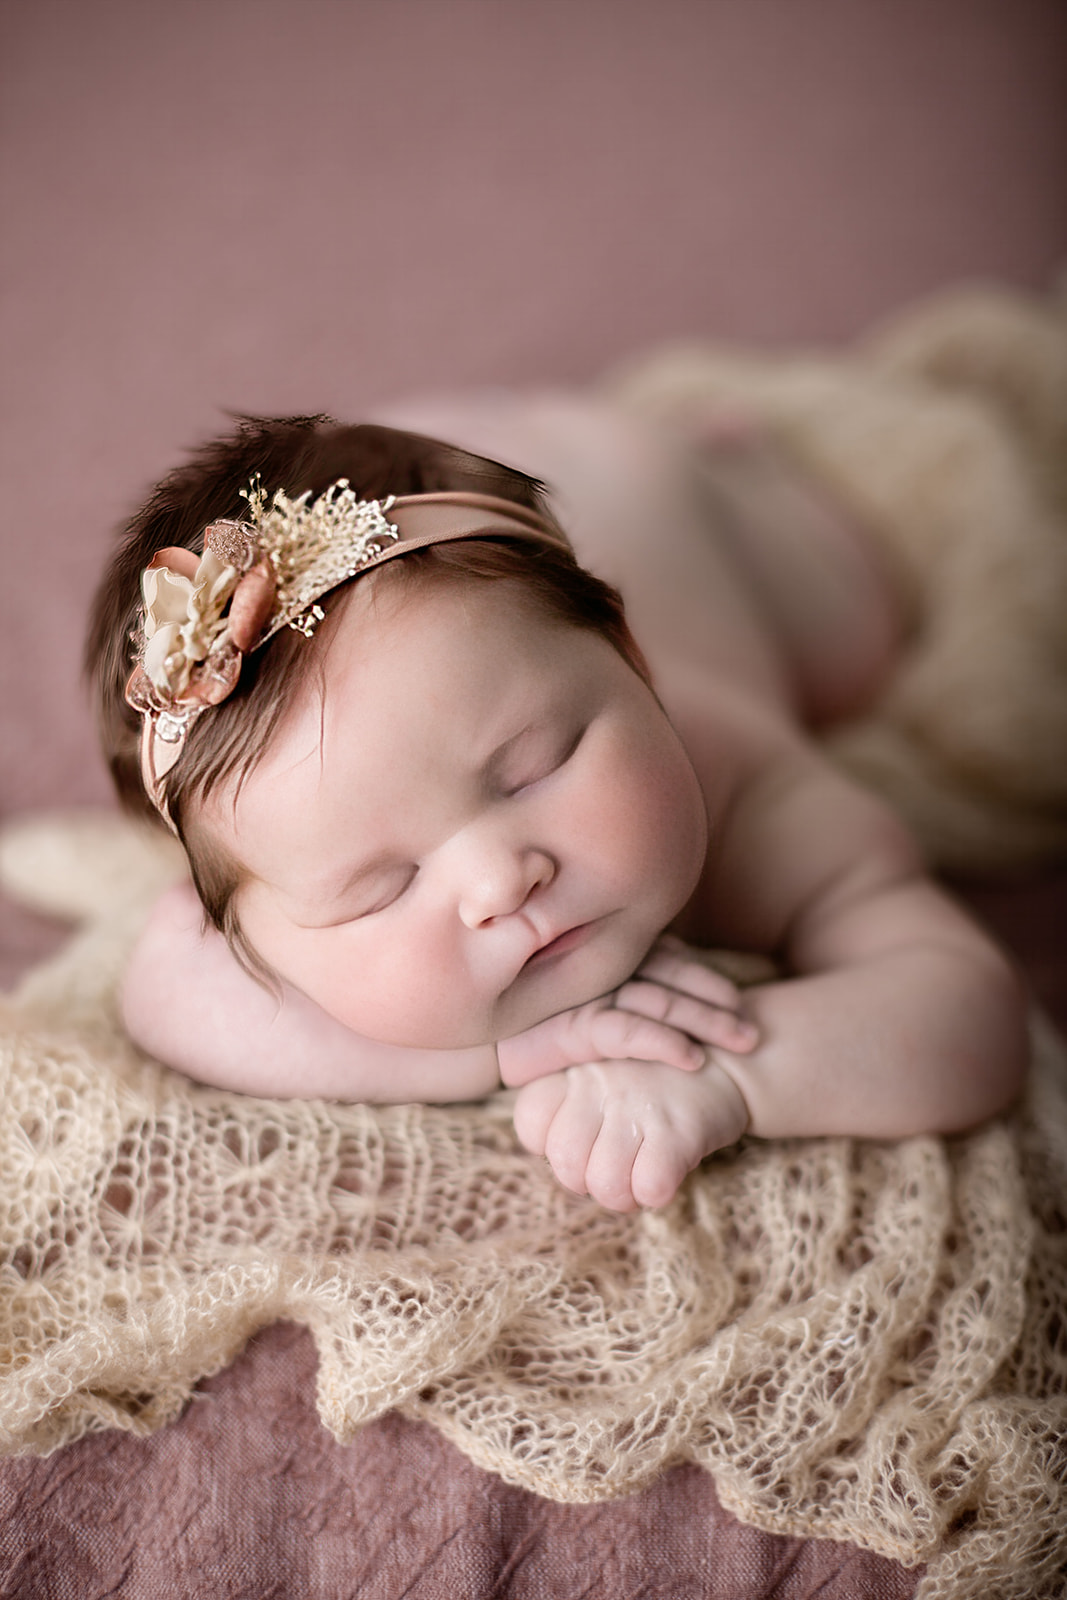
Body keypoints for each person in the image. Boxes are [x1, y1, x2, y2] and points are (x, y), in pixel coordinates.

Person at [87, 397, 1028, 1212]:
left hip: (655, 495)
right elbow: (162, 982)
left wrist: (733, 1076)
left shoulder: (756, 801)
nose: (501, 878)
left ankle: (721, 458)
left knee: (859, 631)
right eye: (381, 887)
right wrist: (501, 1054)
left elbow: (968, 1010)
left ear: (632, 658)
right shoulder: (273, 855)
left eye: (535, 768)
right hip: (470, 502)